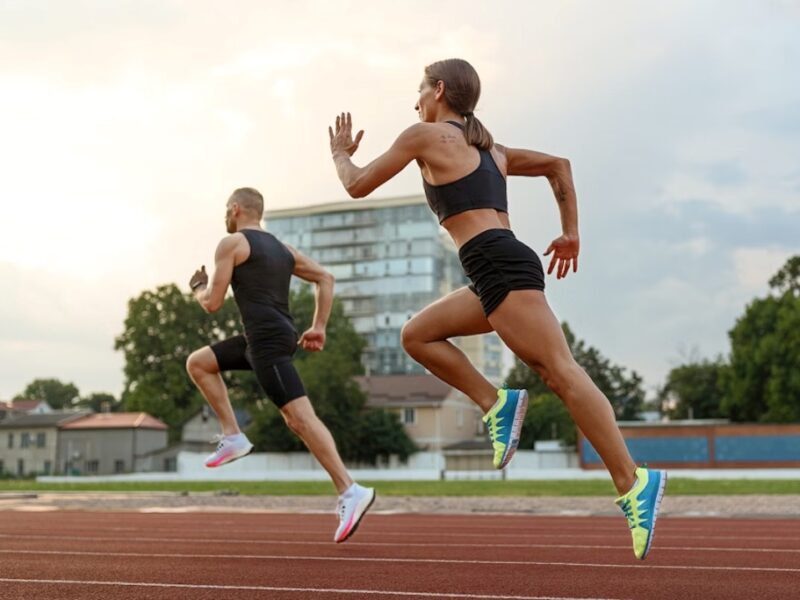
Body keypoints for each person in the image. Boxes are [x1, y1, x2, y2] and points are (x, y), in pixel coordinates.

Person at [328, 58, 666, 560]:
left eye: (419, 91)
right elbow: (559, 166)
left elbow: (356, 184)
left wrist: (339, 154)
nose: (415, 101)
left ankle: (633, 481)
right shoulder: (493, 151)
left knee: (561, 373)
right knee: (417, 335)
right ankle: (495, 403)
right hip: (494, 267)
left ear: (439, 91)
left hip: (497, 263)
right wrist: (570, 231)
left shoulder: (424, 135)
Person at [185, 187, 375, 543]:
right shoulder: (283, 249)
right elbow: (325, 278)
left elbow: (212, 303)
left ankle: (350, 490)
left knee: (299, 418)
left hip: (267, 341)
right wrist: (318, 326)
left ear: (237, 209)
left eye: (227, 209)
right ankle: (233, 435)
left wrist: (198, 287)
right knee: (198, 363)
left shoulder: (232, 244)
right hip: (264, 338)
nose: (225, 216)